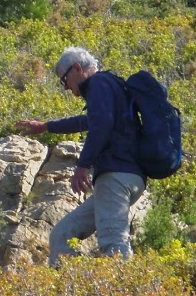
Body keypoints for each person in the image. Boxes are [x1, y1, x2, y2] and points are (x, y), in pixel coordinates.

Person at [16, 47, 145, 266]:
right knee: (62, 235)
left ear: (77, 68)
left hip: (116, 177)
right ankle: (69, 286)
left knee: (113, 243)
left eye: (64, 80)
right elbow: (88, 121)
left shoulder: (98, 84)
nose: (66, 88)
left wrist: (82, 166)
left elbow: (101, 124)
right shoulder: (108, 87)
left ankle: (125, 287)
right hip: (125, 177)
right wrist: (46, 126)